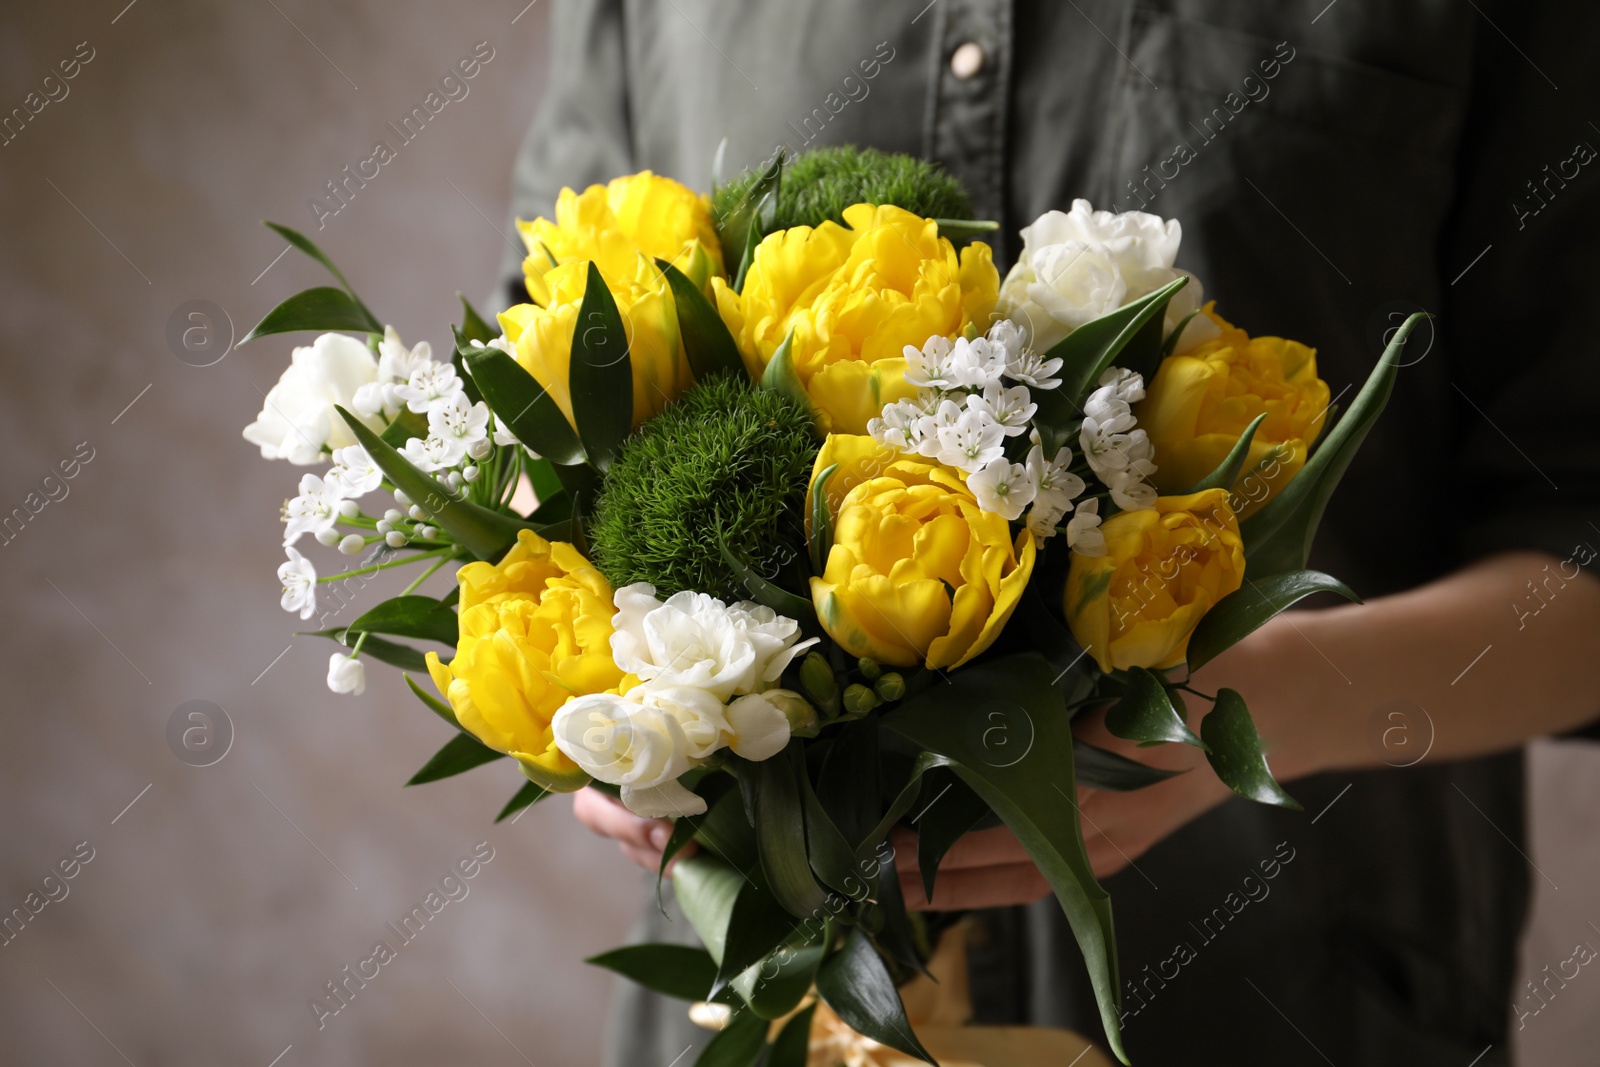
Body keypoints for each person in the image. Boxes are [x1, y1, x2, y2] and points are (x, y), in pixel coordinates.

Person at [501, 2, 1600, 1063]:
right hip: (772, 1014)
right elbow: (539, 407)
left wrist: (1247, 708)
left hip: (1278, 997)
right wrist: (599, 707)